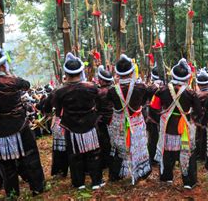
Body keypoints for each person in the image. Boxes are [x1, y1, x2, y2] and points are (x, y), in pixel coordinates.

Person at [0, 42, 44, 196]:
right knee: (31, 156)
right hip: (19, 126)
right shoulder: (14, 81)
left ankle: (12, 193)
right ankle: (37, 187)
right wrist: (10, 75)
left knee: (6, 163)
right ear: (2, 64)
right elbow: (26, 85)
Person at [51, 53, 104, 190]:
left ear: (66, 73)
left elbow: (58, 109)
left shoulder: (59, 92)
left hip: (71, 127)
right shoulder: (92, 87)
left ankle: (78, 183)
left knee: (74, 155)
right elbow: (99, 103)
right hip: (90, 125)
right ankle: (96, 181)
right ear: (81, 71)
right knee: (93, 153)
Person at [152, 58, 202, 189]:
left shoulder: (161, 90)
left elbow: (153, 107)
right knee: (188, 153)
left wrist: (160, 118)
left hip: (168, 126)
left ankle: (166, 177)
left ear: (173, 74)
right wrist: (193, 120)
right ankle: (189, 181)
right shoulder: (191, 93)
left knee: (167, 152)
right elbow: (198, 111)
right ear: (187, 77)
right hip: (184, 127)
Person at [107, 54, 153, 184]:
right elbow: (144, 101)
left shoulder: (112, 90)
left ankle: (116, 174)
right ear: (132, 71)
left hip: (119, 123)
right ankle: (141, 173)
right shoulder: (141, 88)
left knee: (118, 148)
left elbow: (109, 103)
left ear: (117, 73)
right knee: (138, 146)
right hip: (136, 122)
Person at [95, 65, 114, 179]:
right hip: (113, 120)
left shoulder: (98, 92)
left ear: (101, 80)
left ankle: (104, 163)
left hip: (102, 121)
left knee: (103, 142)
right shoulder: (115, 90)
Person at [145, 66, 163, 164]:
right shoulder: (167, 86)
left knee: (153, 139)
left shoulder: (151, 88)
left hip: (153, 117)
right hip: (163, 117)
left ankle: (152, 158)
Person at [195, 68, 208, 161]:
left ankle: (200, 155)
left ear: (198, 84)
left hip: (200, 119)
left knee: (200, 137)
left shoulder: (196, 95)